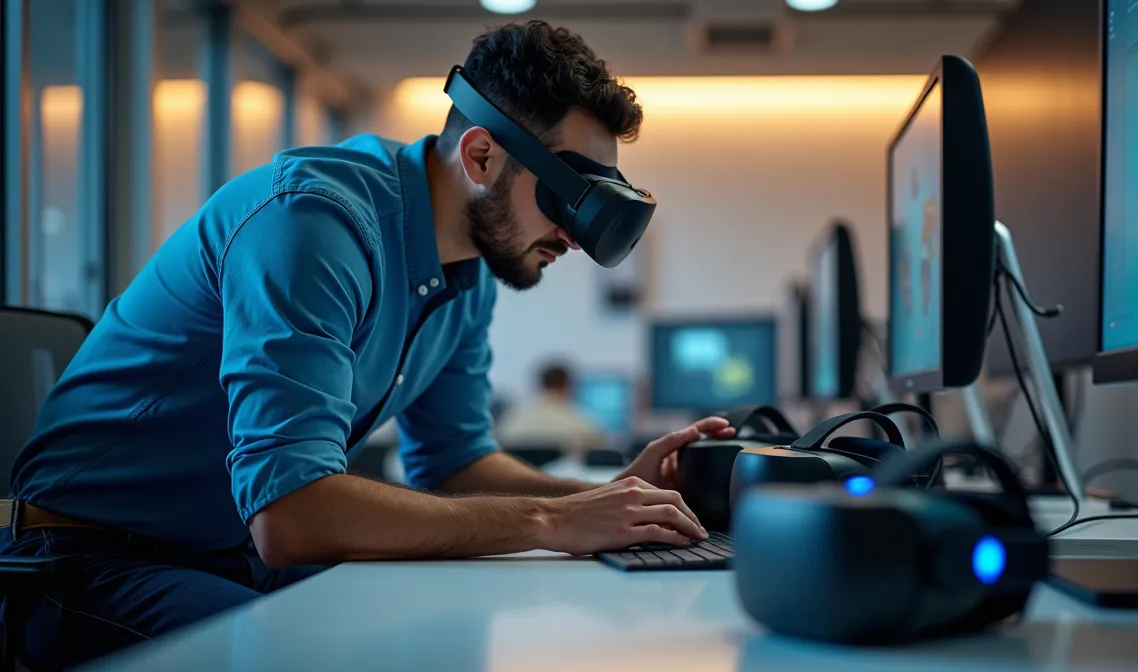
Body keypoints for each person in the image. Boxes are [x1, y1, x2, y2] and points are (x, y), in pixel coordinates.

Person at [0, 21, 733, 669]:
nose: (573, 235)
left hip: (225, 552)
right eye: (564, 199)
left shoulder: (469, 274)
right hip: (88, 558)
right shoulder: (315, 223)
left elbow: (454, 464)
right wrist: (551, 520)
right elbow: (290, 513)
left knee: (444, 627)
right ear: (481, 157)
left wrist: (609, 500)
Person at [497, 361, 607, 460]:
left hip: (519, 475)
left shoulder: (512, 419)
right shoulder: (581, 422)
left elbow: (500, 445)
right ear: (567, 385)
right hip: (562, 476)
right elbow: (599, 449)